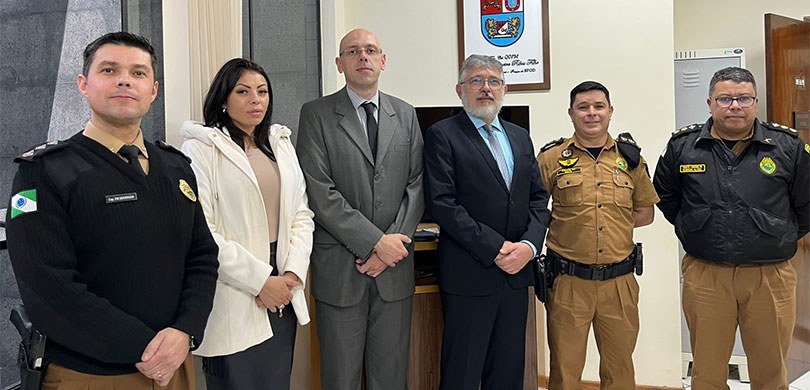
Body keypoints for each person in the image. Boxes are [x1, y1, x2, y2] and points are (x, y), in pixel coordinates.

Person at [5, 32, 219, 389]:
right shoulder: (44, 171)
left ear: (153, 90)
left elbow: (202, 256)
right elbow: (48, 286)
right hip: (90, 375)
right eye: (109, 69)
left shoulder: (176, 167)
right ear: (84, 84)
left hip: (176, 365)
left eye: (138, 73)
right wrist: (146, 347)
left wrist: (186, 330)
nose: (125, 80)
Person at [654, 67, 810, 390]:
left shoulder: (788, 147)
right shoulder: (683, 146)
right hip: (706, 275)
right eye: (725, 98)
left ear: (756, 102)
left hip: (770, 276)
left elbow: (806, 205)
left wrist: (777, 235)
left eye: (743, 98)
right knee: (707, 375)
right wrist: (692, 227)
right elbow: (665, 197)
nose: (735, 106)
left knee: (770, 374)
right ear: (710, 102)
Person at [296, 28, 424, 390]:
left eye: (370, 50)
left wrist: (390, 249)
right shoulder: (316, 114)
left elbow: (416, 186)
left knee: (391, 376)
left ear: (383, 61)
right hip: (340, 270)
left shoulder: (406, 113)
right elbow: (320, 192)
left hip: (394, 271)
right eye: (353, 51)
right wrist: (374, 244)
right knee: (340, 377)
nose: (363, 57)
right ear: (340, 64)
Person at [179, 58, 314, 389]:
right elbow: (204, 232)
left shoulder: (279, 144)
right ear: (223, 99)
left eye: (262, 91)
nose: (256, 100)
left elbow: (301, 214)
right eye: (243, 92)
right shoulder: (201, 148)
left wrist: (292, 275)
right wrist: (260, 281)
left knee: (275, 381)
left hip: (283, 282)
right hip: (235, 286)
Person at [423, 54, 550, 390]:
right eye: (476, 81)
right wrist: (495, 248)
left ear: (504, 89)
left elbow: (538, 198)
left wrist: (529, 245)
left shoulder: (519, 136)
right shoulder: (443, 135)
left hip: (516, 276)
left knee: (508, 370)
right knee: (463, 372)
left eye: (493, 81)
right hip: (470, 275)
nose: (485, 88)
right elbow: (443, 204)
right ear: (460, 90)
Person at [536, 81, 659, 389]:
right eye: (583, 107)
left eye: (598, 106)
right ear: (571, 113)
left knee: (620, 372)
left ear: (610, 111)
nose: (591, 113)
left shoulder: (631, 159)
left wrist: (608, 221)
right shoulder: (550, 159)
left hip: (619, 284)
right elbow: (534, 211)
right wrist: (571, 226)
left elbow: (645, 212)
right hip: (568, 284)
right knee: (565, 372)